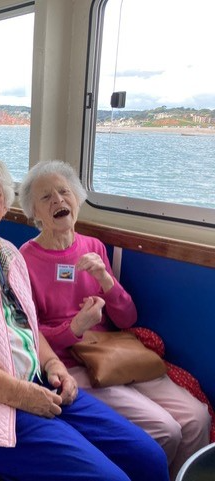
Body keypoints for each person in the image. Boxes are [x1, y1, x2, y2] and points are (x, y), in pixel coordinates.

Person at [0, 154, 169, 481]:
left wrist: (54, 365)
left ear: (5, 204)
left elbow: (26, 325)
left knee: (150, 458)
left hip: (38, 381)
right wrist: (20, 394)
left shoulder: (9, 254)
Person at [18, 159, 210, 478]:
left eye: (64, 192)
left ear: (77, 198)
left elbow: (126, 318)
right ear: (35, 212)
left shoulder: (93, 247)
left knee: (197, 416)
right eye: (46, 197)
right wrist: (74, 327)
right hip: (72, 364)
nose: (59, 201)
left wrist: (107, 281)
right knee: (166, 430)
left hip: (114, 352)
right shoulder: (24, 259)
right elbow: (26, 335)